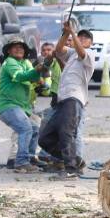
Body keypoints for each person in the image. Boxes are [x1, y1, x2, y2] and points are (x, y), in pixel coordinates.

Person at [38, 22, 94, 179]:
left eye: (86, 38)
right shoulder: (71, 55)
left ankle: (71, 169)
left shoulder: (89, 54)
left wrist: (73, 33)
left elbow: (81, 51)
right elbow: (58, 50)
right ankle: (74, 159)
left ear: (91, 43)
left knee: (66, 133)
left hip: (73, 98)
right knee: (45, 138)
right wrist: (66, 33)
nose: (82, 39)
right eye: (80, 36)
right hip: (62, 100)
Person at [0, 39, 47, 173]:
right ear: (9, 51)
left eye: (21, 48)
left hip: (21, 107)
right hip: (8, 105)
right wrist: (37, 70)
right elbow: (20, 76)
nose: (19, 49)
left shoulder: (25, 63)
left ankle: (30, 158)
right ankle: (21, 162)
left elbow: (34, 77)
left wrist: (42, 80)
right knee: (25, 128)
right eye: (15, 47)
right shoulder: (10, 62)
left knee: (34, 128)